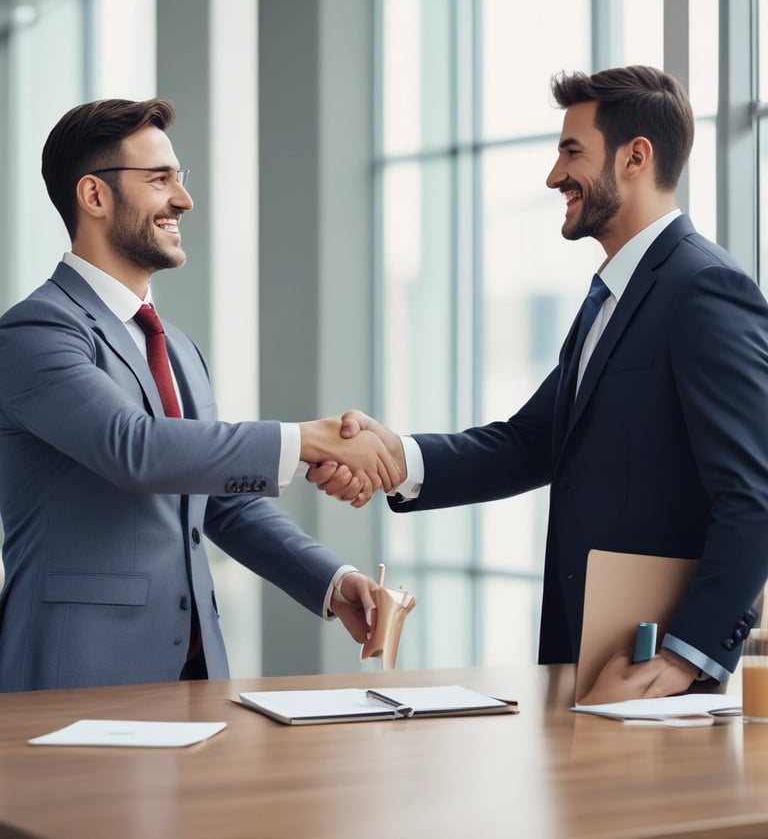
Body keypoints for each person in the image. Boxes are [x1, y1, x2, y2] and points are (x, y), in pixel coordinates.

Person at [309, 65, 768, 703]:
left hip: (653, 682)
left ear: (635, 157)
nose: (554, 176)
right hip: (589, 658)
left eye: (572, 152)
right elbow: (530, 443)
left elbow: (754, 493)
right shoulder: (612, 297)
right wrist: (395, 458)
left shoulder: (703, 288)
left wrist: (685, 657)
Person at [0, 97, 402, 692]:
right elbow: (134, 449)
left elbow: (217, 500)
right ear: (94, 195)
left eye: (179, 178)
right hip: (76, 673)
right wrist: (308, 441)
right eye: (159, 179)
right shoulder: (34, 332)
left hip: (192, 675)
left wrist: (332, 580)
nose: (184, 199)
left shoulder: (177, 348)